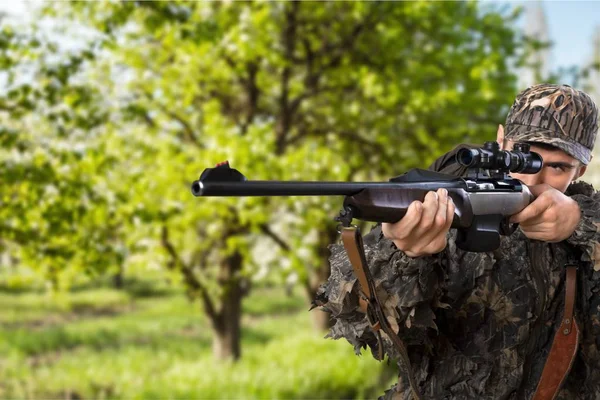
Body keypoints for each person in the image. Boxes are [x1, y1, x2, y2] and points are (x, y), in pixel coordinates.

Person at [316, 84, 600, 399]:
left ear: (581, 170)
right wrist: (401, 254)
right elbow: (363, 325)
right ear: (501, 138)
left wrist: (580, 222)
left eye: (558, 167)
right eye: (522, 157)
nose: (533, 180)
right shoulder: (445, 198)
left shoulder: (582, 215)